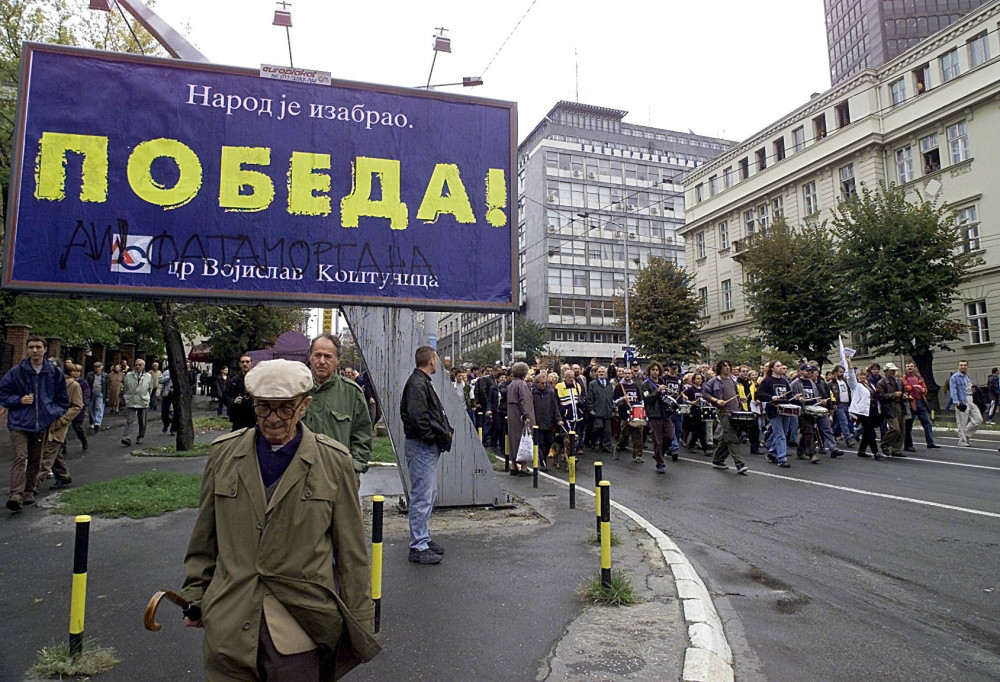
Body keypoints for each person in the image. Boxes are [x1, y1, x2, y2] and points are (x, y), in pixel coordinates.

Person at [181, 358, 379, 678]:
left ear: (304, 406)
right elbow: (205, 538)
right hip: (228, 626)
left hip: (300, 629)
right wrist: (195, 594)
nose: (273, 419)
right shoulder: (224, 455)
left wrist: (360, 620)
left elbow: (352, 553)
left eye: (285, 409)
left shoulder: (333, 462)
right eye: (263, 408)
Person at [0, 336, 70, 511]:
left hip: (41, 423)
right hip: (19, 422)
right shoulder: (17, 372)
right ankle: (16, 495)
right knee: (20, 457)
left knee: (35, 458)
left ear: (45, 349)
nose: (35, 350)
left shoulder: (54, 373)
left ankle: (29, 491)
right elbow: (3, 394)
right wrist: (19, 400)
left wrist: (51, 413)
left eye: (38, 347)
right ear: (27, 349)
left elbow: (62, 400)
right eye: (31, 347)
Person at [400, 346, 453, 565]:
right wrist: (434, 437)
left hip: (424, 446)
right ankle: (418, 545)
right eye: (436, 359)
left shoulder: (420, 382)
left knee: (427, 494)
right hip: (422, 446)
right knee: (422, 496)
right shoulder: (418, 384)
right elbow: (418, 419)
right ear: (431, 360)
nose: (437, 362)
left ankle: (423, 537)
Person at [301, 334, 374, 481]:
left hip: (339, 478)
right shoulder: (298, 390)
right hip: (301, 476)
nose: (322, 361)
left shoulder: (351, 393)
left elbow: (362, 436)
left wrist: (353, 469)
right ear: (310, 357)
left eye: (328, 356)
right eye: (317, 355)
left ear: (337, 360)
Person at [37, 367, 84, 492]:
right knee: (53, 453)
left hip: (57, 426)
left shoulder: (73, 385)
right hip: (44, 424)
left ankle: (31, 484)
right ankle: (63, 476)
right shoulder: (46, 384)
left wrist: (62, 420)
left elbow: (77, 406)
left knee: (46, 455)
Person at [703, 360, 749, 474]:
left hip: (735, 411)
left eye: (728, 365)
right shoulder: (714, 381)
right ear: (720, 368)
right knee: (732, 437)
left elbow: (734, 394)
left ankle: (718, 460)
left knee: (727, 436)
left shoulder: (733, 380)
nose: (727, 368)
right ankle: (740, 464)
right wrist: (716, 400)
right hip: (723, 411)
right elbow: (705, 394)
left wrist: (740, 399)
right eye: (724, 366)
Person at [757, 361, 795, 468]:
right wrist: (771, 397)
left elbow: (789, 395)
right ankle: (782, 459)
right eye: (778, 366)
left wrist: (795, 397)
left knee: (782, 433)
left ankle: (771, 452)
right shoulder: (767, 381)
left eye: (781, 366)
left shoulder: (784, 381)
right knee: (780, 435)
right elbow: (759, 394)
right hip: (773, 410)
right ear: (772, 368)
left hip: (785, 409)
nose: (780, 367)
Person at [846, 358, 882, 459]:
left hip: (871, 409)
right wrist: (849, 365)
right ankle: (876, 452)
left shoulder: (868, 384)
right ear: (857, 376)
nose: (862, 376)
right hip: (861, 410)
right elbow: (851, 377)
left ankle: (861, 450)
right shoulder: (855, 385)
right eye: (860, 375)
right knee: (870, 431)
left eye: (864, 375)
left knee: (867, 431)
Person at [506, 362, 535, 476]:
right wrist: (527, 416)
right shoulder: (522, 385)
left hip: (512, 415)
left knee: (513, 440)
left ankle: (513, 466)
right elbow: (525, 401)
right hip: (520, 416)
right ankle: (523, 467)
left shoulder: (511, 384)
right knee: (523, 440)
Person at [902, 362, 939, 451]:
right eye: (908, 366)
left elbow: (925, 389)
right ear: (905, 368)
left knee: (928, 423)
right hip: (910, 403)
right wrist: (913, 386)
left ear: (914, 367)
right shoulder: (903, 378)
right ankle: (908, 444)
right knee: (908, 425)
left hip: (920, 402)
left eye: (911, 366)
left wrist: (922, 390)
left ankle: (930, 443)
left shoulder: (919, 378)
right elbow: (904, 388)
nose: (910, 368)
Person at [875, 362, 907, 457]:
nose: (893, 372)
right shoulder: (881, 383)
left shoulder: (899, 381)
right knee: (895, 429)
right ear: (886, 371)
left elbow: (905, 390)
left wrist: (905, 395)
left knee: (902, 429)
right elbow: (880, 396)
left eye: (894, 371)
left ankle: (896, 449)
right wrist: (893, 395)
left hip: (899, 405)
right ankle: (885, 444)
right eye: (891, 371)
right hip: (889, 407)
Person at [614, 368, 644, 463]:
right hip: (625, 415)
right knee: (624, 434)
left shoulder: (635, 386)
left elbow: (640, 400)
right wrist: (623, 399)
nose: (627, 375)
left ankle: (637, 455)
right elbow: (615, 402)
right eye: (625, 373)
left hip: (636, 414)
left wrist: (642, 410)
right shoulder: (619, 386)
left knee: (638, 435)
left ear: (631, 374)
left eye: (629, 373)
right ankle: (618, 447)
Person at [531, 372, 560, 470]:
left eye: (545, 383)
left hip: (548, 422)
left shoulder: (550, 392)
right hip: (537, 423)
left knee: (548, 442)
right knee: (540, 443)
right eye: (542, 383)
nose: (544, 385)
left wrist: (558, 419)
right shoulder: (532, 393)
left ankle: (544, 457)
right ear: (536, 383)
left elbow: (555, 406)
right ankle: (543, 462)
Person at [121, 358, 153, 447]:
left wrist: (146, 396)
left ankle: (140, 437)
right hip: (131, 400)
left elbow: (150, 388)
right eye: (136, 365)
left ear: (143, 366)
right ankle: (126, 437)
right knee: (129, 420)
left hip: (143, 401)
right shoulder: (129, 375)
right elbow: (126, 387)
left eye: (140, 365)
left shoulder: (148, 376)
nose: (138, 366)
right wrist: (127, 396)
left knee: (142, 421)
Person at [949, 360, 981, 447]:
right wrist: (956, 402)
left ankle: (966, 434)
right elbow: (953, 390)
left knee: (978, 419)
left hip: (971, 399)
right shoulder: (955, 377)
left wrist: (973, 390)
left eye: (965, 365)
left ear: (967, 366)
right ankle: (962, 441)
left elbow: (970, 386)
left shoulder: (968, 376)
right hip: (962, 400)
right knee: (962, 422)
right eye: (961, 365)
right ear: (958, 367)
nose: (963, 367)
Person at [587, 366, 615, 453]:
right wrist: (590, 409)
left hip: (607, 410)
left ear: (606, 373)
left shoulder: (609, 385)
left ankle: (605, 445)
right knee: (598, 427)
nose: (601, 373)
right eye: (599, 372)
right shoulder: (592, 384)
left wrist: (613, 409)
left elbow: (611, 398)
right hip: (597, 410)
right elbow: (590, 398)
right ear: (596, 373)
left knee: (607, 431)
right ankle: (593, 440)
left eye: (603, 372)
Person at [225, 354, 256, 431]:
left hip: (254, 416)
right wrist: (233, 401)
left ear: (252, 363)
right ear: (239, 364)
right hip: (238, 416)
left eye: (247, 362)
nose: (245, 364)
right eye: (242, 362)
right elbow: (225, 395)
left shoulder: (257, 379)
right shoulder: (234, 380)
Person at [68, 365, 90, 452]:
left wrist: (83, 403)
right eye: (74, 371)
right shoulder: (67, 382)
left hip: (78, 408)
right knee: (63, 428)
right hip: (68, 407)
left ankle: (83, 440)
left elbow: (86, 393)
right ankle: (63, 446)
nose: (76, 373)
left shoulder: (83, 383)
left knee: (77, 427)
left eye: (78, 371)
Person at [85, 361, 108, 432]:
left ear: (101, 367)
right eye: (95, 367)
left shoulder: (105, 375)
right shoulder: (90, 375)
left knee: (99, 407)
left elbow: (107, 386)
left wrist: (107, 396)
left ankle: (97, 422)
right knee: (91, 408)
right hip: (91, 393)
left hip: (100, 393)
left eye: (98, 367)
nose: (97, 368)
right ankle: (92, 422)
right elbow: (87, 384)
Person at [159, 366, 177, 434]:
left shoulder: (180, 373)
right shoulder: (167, 372)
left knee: (176, 412)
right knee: (164, 412)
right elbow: (160, 380)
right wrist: (168, 377)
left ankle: (173, 429)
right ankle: (166, 423)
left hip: (176, 394)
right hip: (167, 394)